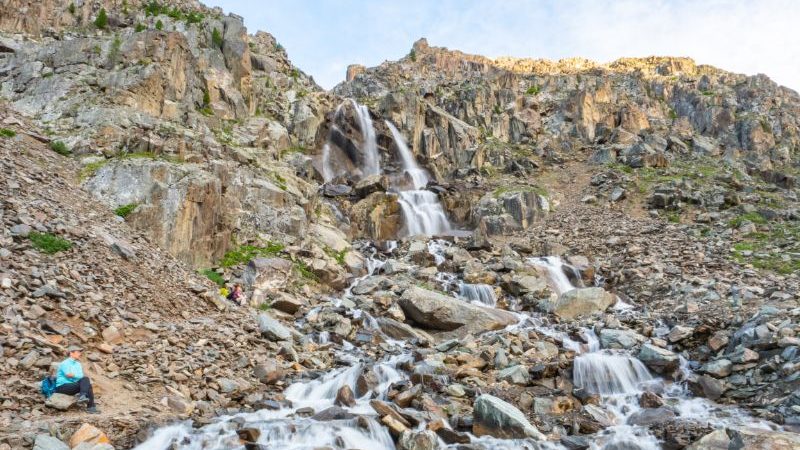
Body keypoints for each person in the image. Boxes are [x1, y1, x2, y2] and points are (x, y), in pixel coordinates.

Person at [55, 345, 99, 414]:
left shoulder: (78, 364)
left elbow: (80, 376)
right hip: (62, 387)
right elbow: (68, 375)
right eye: (78, 352)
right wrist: (76, 376)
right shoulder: (64, 363)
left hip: (72, 385)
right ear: (71, 353)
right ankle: (87, 403)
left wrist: (74, 375)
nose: (80, 354)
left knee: (87, 382)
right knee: (85, 381)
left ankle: (89, 405)